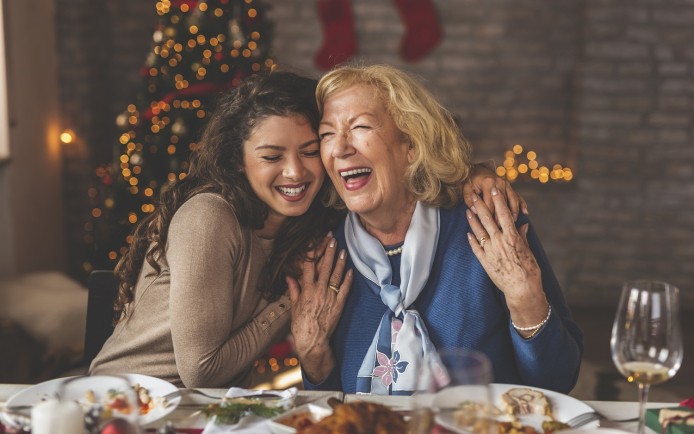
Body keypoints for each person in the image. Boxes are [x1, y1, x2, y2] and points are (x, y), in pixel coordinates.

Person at [89, 70, 522, 388]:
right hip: (128, 402)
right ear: (239, 161)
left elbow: (407, 174)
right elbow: (201, 370)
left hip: (203, 409)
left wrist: (476, 175)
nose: (295, 172)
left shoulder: (315, 224)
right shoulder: (210, 217)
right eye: (272, 156)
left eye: (311, 150)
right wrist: (286, 304)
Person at [289, 64, 583, 395]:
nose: (340, 148)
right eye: (327, 134)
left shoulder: (487, 222)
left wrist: (525, 297)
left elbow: (558, 381)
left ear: (411, 145)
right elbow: (327, 407)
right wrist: (313, 355)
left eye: (360, 127)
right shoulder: (326, 252)